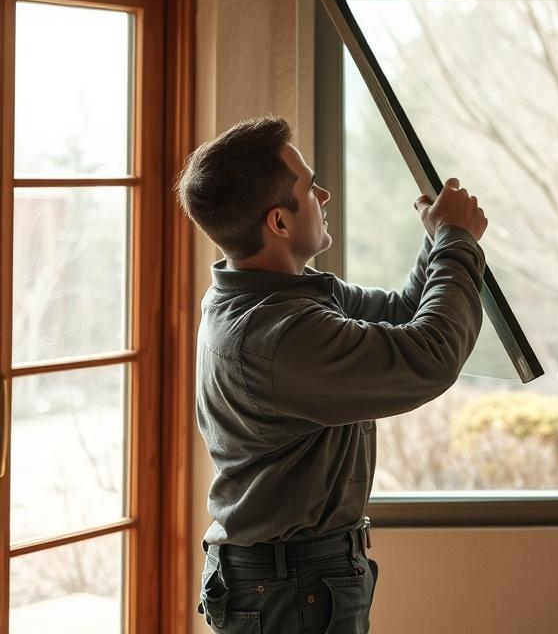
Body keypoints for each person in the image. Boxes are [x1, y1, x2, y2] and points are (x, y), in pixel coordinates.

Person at [174, 115, 487, 633]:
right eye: (309, 187)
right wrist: (457, 240)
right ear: (278, 222)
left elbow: (405, 313)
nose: (325, 195)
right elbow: (429, 356)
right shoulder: (279, 334)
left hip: (294, 578)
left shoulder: (274, 294)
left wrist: (438, 241)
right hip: (291, 588)